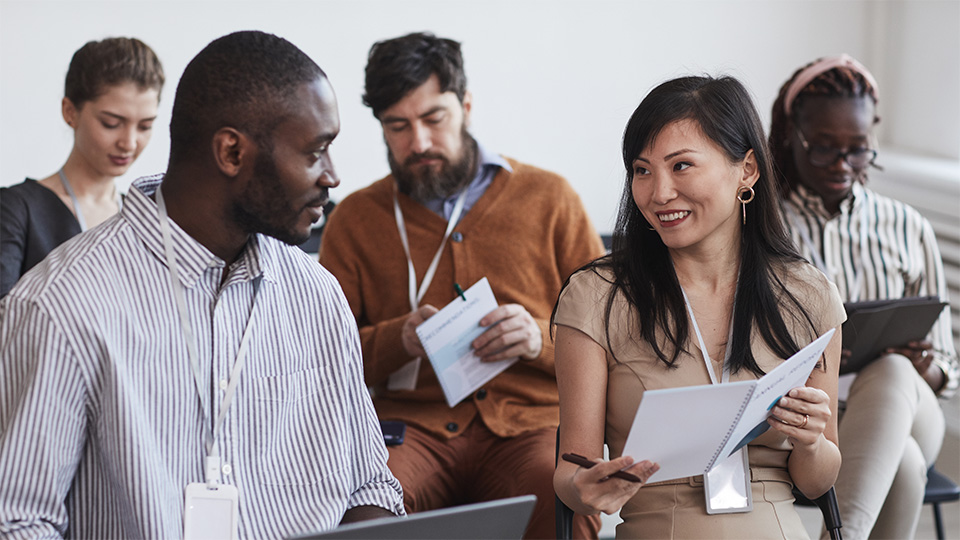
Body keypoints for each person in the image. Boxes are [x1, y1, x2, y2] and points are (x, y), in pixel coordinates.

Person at [0, 31, 403, 538]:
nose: (332, 176)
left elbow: (369, 487)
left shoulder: (315, 295)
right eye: (315, 152)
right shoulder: (59, 306)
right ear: (231, 152)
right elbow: (18, 522)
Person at [319, 32, 604, 539]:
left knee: (559, 488)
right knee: (366, 497)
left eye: (434, 119)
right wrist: (397, 340)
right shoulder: (355, 220)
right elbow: (318, 358)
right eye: (398, 126)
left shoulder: (550, 199)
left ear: (466, 105)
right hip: (410, 428)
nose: (419, 143)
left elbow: (614, 337)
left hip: (528, 423)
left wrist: (540, 338)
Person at [552, 75, 846, 539]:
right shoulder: (595, 297)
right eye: (642, 170)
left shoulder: (808, 294)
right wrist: (586, 488)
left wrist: (811, 443)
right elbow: (571, 477)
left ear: (746, 170)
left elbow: (818, 480)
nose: (658, 192)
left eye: (681, 166)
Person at [769, 54, 959, 540]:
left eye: (858, 150)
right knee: (904, 464)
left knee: (893, 370)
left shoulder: (905, 226)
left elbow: (948, 370)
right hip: (806, 424)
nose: (842, 165)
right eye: (824, 149)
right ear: (791, 135)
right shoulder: (763, 228)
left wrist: (923, 365)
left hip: (908, 407)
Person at [0, 37, 164, 298]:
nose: (129, 142)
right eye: (111, 123)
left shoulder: (147, 219)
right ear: (70, 112)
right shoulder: (17, 210)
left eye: (145, 126)